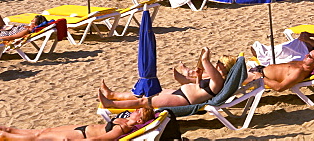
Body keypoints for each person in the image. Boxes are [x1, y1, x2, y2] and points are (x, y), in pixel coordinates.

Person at [99, 48, 234, 109]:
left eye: (221, 63)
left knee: (144, 101)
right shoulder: (216, 80)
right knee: (145, 93)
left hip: (183, 100)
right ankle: (112, 94)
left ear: (226, 68)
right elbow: (201, 89)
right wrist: (198, 77)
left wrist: (206, 53)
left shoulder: (219, 81)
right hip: (180, 92)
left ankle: (111, 104)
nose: (218, 64)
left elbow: (205, 61)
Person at [0, 108, 154, 141]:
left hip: (80, 136)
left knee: (39, 137)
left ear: (139, 121)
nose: (135, 111)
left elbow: (101, 139)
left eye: (138, 112)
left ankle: (4, 135)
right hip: (82, 128)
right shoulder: (124, 119)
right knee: (46, 130)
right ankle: (11, 130)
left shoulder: (123, 128)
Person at [247, 50, 314, 91]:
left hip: (258, 76)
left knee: (235, 78)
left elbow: (280, 88)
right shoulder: (301, 63)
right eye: (308, 54)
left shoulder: (299, 72)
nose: (306, 55)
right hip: (260, 69)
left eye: (309, 56)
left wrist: (261, 78)